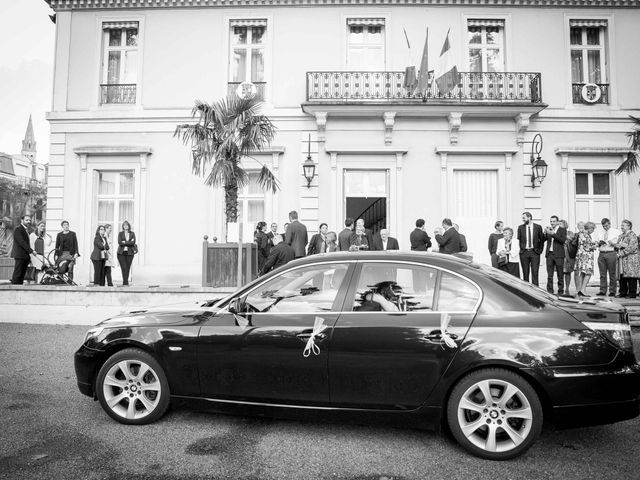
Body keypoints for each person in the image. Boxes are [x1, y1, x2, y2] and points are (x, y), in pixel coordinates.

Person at [517, 212, 545, 286]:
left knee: (535, 272)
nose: (523, 219)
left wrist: (540, 250)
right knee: (525, 273)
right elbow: (518, 240)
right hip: (524, 252)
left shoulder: (538, 227)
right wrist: (520, 250)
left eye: (524, 217)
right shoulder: (520, 227)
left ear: (529, 217)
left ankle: (536, 291)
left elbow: (541, 239)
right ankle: (526, 291)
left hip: (534, 252)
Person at [615, 219, 639, 299]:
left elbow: (632, 247)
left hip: (630, 259)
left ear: (629, 226)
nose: (621, 227)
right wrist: (617, 246)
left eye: (623, 225)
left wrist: (621, 253)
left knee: (631, 276)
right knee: (622, 276)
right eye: (621, 225)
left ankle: (632, 294)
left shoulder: (632, 235)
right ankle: (623, 292)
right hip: (622, 259)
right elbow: (619, 245)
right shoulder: (621, 235)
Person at [596, 217, 620, 297]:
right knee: (602, 273)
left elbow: (618, 242)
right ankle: (602, 290)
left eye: (607, 225)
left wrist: (612, 242)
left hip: (611, 252)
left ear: (609, 224)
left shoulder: (616, 231)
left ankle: (612, 291)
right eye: (604, 226)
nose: (605, 227)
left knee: (612, 273)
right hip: (602, 253)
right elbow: (598, 241)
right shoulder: (600, 232)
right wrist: (599, 243)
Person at [544, 215, 567, 294]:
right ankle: (550, 291)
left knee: (560, 274)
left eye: (554, 221)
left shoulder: (562, 229)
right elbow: (544, 240)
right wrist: (545, 233)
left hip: (559, 255)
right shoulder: (549, 229)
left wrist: (553, 234)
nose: (552, 223)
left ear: (557, 222)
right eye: (551, 221)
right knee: (550, 275)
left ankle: (560, 291)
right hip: (549, 254)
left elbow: (562, 240)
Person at [574, 221, 597, 297]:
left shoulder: (581, 234)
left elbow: (583, 244)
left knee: (582, 273)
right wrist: (595, 245)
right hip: (586, 257)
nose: (593, 231)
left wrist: (592, 243)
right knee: (588, 273)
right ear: (590, 228)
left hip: (581, 256)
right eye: (593, 229)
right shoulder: (586, 235)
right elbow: (587, 247)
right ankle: (583, 290)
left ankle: (580, 289)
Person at [10, 214, 34, 285]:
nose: (28, 221)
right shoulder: (18, 229)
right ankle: (14, 289)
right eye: (27, 220)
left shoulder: (26, 230)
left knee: (22, 275)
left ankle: (19, 289)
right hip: (20, 255)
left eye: (29, 220)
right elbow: (21, 242)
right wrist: (31, 251)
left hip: (25, 256)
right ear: (22, 220)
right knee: (18, 273)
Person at [117, 220, 137, 286]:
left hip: (130, 253)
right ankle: (125, 282)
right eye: (124, 225)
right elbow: (119, 242)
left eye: (127, 225)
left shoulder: (132, 233)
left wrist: (124, 242)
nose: (126, 226)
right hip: (121, 253)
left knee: (128, 267)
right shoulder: (120, 233)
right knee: (124, 267)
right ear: (123, 226)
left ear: (129, 226)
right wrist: (129, 242)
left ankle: (125, 282)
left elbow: (133, 243)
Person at [562, 220, 578, 296]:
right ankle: (561, 287)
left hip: (568, 254)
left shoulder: (570, 233)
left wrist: (568, 238)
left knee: (568, 273)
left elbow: (573, 240)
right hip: (561, 254)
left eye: (561, 224)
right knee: (561, 272)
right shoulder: (557, 232)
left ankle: (567, 288)